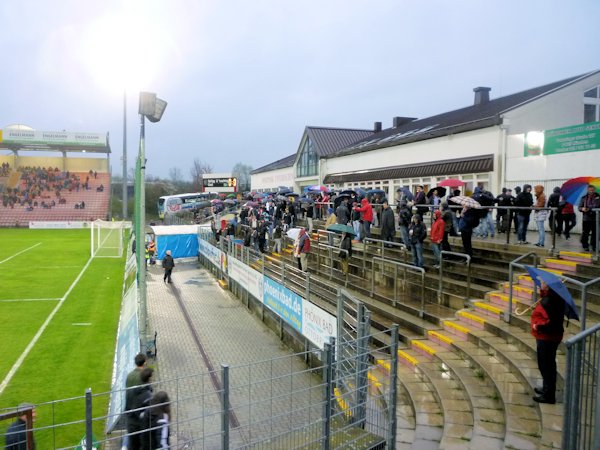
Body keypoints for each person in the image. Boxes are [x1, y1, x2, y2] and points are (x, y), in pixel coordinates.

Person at [531, 281, 565, 404]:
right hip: (546, 337)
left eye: (543, 283)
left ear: (549, 287)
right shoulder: (549, 298)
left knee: (547, 365)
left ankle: (548, 395)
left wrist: (538, 327)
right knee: (545, 365)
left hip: (547, 337)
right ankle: (547, 389)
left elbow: (552, 323)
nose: (541, 284)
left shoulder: (550, 301)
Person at [125, 367, 154, 449]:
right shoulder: (148, 396)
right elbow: (149, 414)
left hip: (131, 424)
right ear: (149, 378)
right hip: (141, 427)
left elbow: (126, 408)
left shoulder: (131, 391)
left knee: (132, 446)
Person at [578, 184, 600, 252]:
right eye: (590, 190)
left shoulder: (598, 197)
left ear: (594, 190)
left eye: (592, 190)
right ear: (587, 190)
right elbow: (579, 207)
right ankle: (585, 246)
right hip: (586, 218)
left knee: (595, 233)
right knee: (585, 233)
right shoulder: (584, 198)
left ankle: (594, 246)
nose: (591, 191)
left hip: (596, 218)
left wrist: (591, 209)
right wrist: (582, 208)